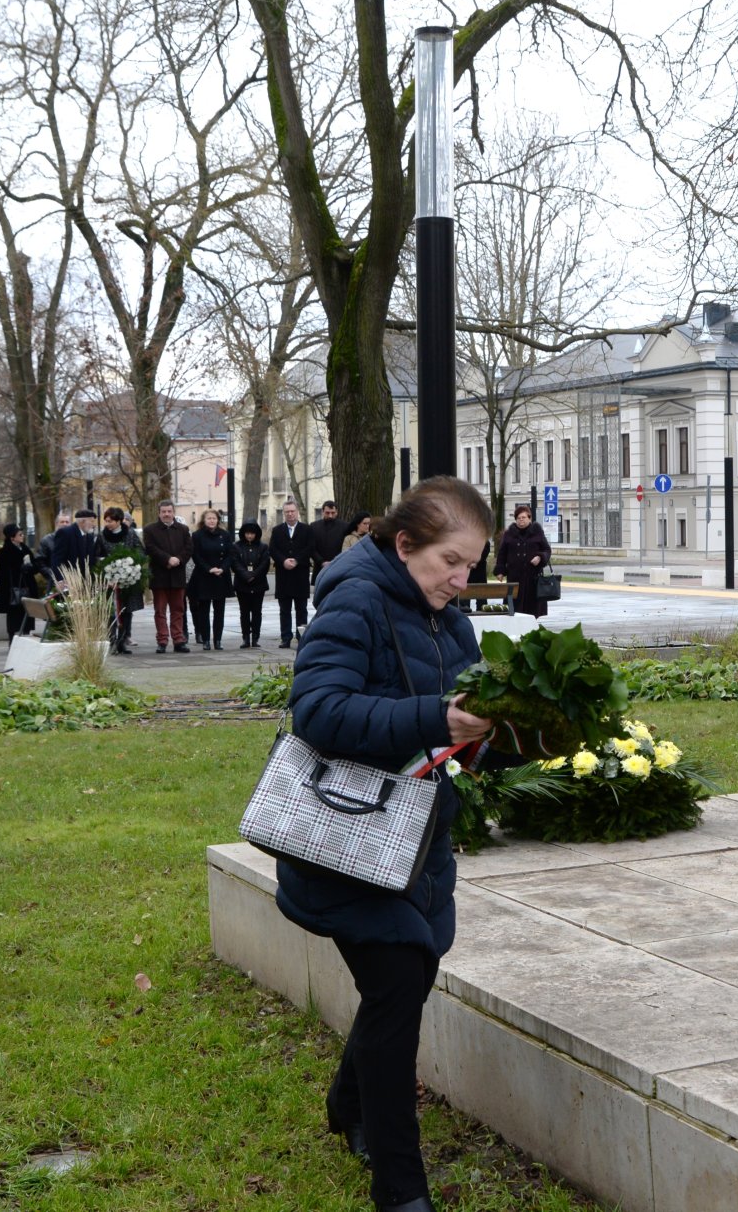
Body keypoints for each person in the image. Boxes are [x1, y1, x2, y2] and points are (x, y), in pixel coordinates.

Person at [278, 477, 496, 1212]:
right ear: (404, 545)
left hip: (415, 843)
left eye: (471, 565)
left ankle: (349, 1104)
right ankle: (401, 1190)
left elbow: (460, 730)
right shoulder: (356, 600)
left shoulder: (450, 622)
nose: (461, 580)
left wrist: (510, 730)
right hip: (345, 839)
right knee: (400, 981)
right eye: (450, 562)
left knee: (405, 978)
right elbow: (318, 712)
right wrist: (436, 716)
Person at [144, 500, 193, 654]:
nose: (166, 514)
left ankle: (179, 640)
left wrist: (178, 559)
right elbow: (151, 548)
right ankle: (162, 641)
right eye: (163, 511)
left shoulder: (183, 529)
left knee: (178, 610)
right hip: (159, 576)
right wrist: (167, 559)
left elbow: (189, 548)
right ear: (159, 513)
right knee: (160, 611)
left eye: (169, 511)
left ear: (173, 512)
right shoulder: (150, 530)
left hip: (178, 576)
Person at [96, 507, 145, 655]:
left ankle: (122, 641)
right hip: (109, 581)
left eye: (110, 521)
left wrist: (132, 565)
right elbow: (97, 556)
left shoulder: (130, 534)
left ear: (118, 521)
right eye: (106, 521)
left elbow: (140, 551)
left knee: (126, 611)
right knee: (111, 611)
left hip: (128, 578)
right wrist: (106, 571)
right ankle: (111, 640)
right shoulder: (102, 536)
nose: (107, 524)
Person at [270, 500, 314, 647]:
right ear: (284, 513)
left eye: (292, 511)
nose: (290, 514)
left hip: (300, 574)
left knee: (301, 608)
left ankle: (301, 636)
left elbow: (310, 547)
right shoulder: (277, 530)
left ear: (297, 512)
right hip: (284, 575)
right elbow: (273, 549)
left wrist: (297, 560)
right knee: (284, 609)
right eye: (287, 512)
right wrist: (283, 561)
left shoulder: (307, 530)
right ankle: (286, 637)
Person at [189, 509, 235, 650]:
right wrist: (209, 569)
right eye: (209, 518)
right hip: (204, 576)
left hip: (221, 576)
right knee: (204, 611)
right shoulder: (197, 535)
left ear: (218, 520)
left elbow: (230, 554)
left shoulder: (225, 535)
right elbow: (196, 555)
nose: (211, 521)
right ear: (204, 520)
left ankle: (218, 640)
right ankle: (206, 640)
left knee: (219, 611)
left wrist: (223, 568)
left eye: (214, 518)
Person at [496, 504, 552, 618]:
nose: (521, 520)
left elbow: (547, 550)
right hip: (514, 577)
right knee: (514, 609)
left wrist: (540, 557)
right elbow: (502, 553)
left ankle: (532, 626)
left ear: (529, 518)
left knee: (532, 611)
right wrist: (500, 570)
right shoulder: (509, 534)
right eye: (518, 518)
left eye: (524, 517)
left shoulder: (537, 532)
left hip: (533, 578)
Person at [0, 522, 42, 641]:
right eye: (20, 534)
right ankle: (13, 640)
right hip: (13, 591)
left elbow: (36, 566)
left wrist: (31, 567)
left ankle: (25, 639)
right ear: (12, 537)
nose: (22, 536)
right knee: (14, 618)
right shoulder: (5, 552)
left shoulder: (25, 549)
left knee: (27, 617)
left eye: (22, 534)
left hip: (27, 588)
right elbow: (2, 574)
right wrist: (20, 568)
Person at [232, 521, 271, 648]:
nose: (249, 536)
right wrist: (245, 575)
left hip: (258, 583)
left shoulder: (263, 547)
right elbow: (235, 563)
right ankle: (245, 637)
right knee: (244, 612)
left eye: (252, 533)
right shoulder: (236, 546)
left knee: (256, 611)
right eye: (247, 533)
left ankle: (255, 637)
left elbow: (265, 564)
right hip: (242, 584)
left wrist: (254, 575)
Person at [44, 509, 98, 582]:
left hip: (85, 581)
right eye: (92, 521)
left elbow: (91, 559)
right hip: (68, 580)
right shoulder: (65, 533)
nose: (94, 525)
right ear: (83, 521)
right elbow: (57, 560)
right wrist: (61, 580)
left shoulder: (89, 536)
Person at [309, 499, 348, 586]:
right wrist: (321, 562)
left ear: (337, 512)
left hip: (338, 568)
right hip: (319, 568)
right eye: (327, 513)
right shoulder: (314, 526)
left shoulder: (344, 526)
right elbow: (311, 548)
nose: (330, 516)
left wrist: (336, 562)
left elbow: (346, 548)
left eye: (333, 513)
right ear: (322, 512)